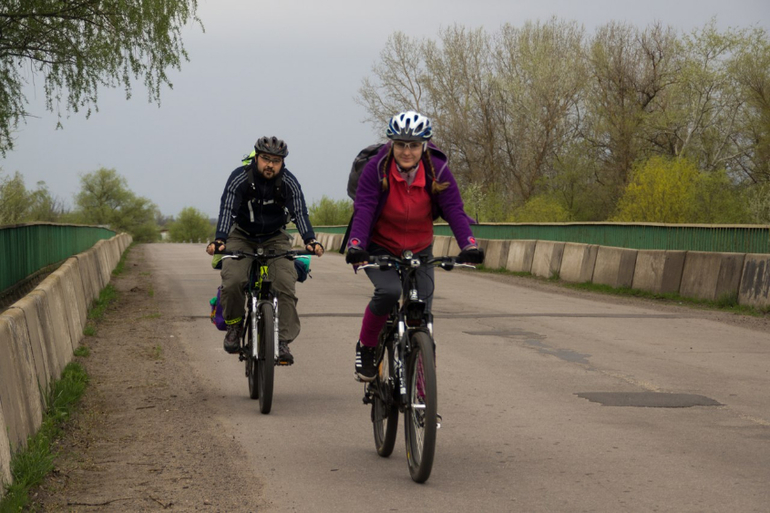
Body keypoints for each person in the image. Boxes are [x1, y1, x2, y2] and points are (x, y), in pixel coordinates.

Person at [345, 111, 484, 382]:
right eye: (400, 144)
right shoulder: (377, 169)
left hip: (419, 246)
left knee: (422, 313)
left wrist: (468, 245)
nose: (406, 151)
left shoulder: (438, 170)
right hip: (380, 244)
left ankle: (421, 393)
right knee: (389, 291)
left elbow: (454, 209)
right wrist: (356, 245)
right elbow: (364, 209)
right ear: (391, 144)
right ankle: (367, 347)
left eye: (413, 145)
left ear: (424, 145)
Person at [206, 136, 324, 364]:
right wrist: (220, 239)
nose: (270, 164)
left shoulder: (288, 181)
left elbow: (299, 211)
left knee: (285, 283)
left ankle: (281, 341)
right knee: (232, 280)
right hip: (241, 235)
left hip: (274, 237)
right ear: (256, 158)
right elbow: (227, 209)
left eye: (276, 160)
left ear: (282, 163)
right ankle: (234, 326)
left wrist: (310, 240)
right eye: (266, 159)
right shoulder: (239, 177)